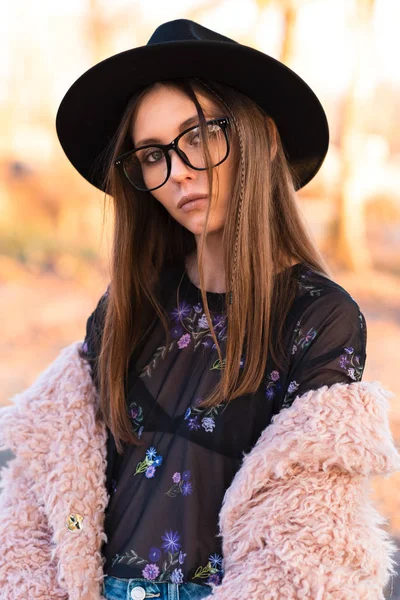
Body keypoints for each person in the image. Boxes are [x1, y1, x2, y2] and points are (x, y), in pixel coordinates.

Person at [1, 18, 400, 600]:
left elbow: (304, 533)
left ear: (259, 134)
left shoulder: (318, 318)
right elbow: (53, 487)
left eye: (200, 135)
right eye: (152, 154)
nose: (179, 171)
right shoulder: (130, 307)